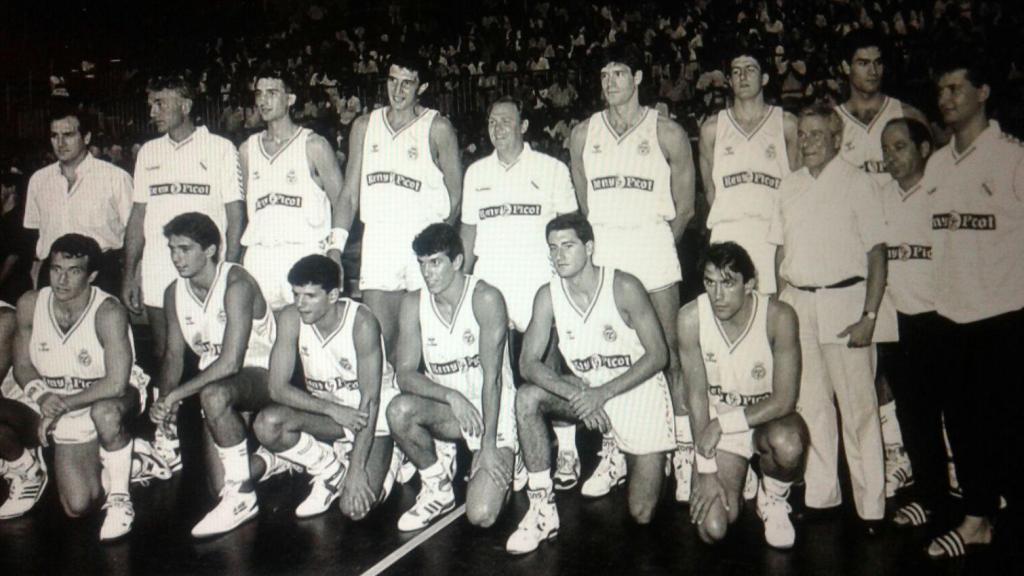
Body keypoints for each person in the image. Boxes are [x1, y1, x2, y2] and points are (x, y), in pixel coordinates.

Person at [569, 43, 695, 499]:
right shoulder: (583, 134)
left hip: (652, 249)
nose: (610, 82)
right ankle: (615, 450)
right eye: (604, 75)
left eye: (619, 73)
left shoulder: (668, 132)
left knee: (672, 358)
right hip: (607, 253)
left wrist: (657, 245)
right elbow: (584, 203)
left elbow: (686, 208)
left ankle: (683, 451)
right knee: (611, 359)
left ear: (638, 77)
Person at [507, 213, 675, 555]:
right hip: (586, 391)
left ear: (589, 247)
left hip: (635, 390)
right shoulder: (548, 295)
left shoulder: (623, 286)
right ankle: (541, 508)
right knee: (527, 399)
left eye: (567, 246)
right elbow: (527, 363)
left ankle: (628, 450)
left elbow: (659, 356)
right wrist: (576, 393)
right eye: (552, 248)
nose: (559, 255)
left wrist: (603, 394)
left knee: (642, 514)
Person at [768, 103, 890, 533]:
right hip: (799, 303)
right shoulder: (788, 186)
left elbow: (877, 253)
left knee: (858, 410)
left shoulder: (860, 183)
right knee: (812, 405)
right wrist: (780, 307)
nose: (808, 142)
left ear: (837, 139)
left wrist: (869, 315)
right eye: (802, 135)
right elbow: (779, 252)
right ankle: (822, 497)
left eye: (817, 134)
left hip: (846, 303)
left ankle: (872, 507)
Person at [924, 54, 1024, 559]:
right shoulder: (938, 163)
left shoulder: (1012, 157)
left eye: (956, 88)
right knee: (962, 427)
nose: (946, 99)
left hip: (1002, 317)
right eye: (941, 90)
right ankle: (977, 518)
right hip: (949, 318)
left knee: (1007, 426)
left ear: (983, 93)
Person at [0, 234, 163, 540]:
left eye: (73, 271)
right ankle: (30, 469)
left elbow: (115, 383)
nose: (61, 279)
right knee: (77, 505)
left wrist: (63, 404)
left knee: (106, 414)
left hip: (100, 398)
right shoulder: (30, 304)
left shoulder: (109, 311)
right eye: (56, 268)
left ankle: (119, 497)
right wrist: (44, 395)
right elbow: (22, 365)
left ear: (92, 275)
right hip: (53, 399)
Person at [123, 75, 245, 471]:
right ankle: (168, 429)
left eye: (160, 102)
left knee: (218, 354)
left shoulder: (221, 149)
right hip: (162, 269)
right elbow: (138, 216)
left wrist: (231, 268)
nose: (152, 111)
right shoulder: (148, 154)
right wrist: (130, 272)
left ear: (186, 104)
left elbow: (234, 215)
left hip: (208, 269)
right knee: (166, 353)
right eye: (150, 103)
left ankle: (225, 424)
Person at [460, 96, 580, 489]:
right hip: (494, 287)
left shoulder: (552, 170)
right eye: (492, 121)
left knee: (547, 368)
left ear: (523, 125)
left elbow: (568, 230)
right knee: (499, 374)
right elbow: (468, 235)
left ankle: (567, 448)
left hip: (536, 285)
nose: (498, 128)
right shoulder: (476, 173)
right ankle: (516, 446)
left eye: (506, 121)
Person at [147, 213, 281, 538]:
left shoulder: (237, 284)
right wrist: (165, 401)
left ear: (209, 250)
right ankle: (274, 459)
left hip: (264, 375)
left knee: (215, 394)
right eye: (172, 249)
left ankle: (243, 499)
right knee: (218, 484)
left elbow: (232, 361)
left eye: (184, 249)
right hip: (216, 382)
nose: (176, 258)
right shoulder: (173, 292)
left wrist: (179, 395)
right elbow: (174, 357)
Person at [836, 28, 927, 497]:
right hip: (856, 259)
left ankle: (918, 452)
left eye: (877, 62)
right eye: (862, 62)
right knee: (868, 366)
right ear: (845, 69)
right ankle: (891, 450)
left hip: (905, 254)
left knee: (908, 362)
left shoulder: (906, 115)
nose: (871, 70)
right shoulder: (833, 124)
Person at [387, 223, 517, 532]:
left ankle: (511, 454)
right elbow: (404, 374)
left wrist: (487, 446)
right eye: (422, 264)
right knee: (397, 410)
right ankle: (438, 487)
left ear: (457, 262)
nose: (427, 272)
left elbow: (493, 379)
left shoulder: (485, 298)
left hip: (492, 408)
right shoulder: (412, 304)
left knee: (481, 514)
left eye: (435, 262)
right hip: (452, 411)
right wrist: (451, 397)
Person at [678, 242, 808, 549]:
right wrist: (705, 470)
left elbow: (785, 399)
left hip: (767, 420)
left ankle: (773, 495)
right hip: (719, 430)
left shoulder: (779, 316)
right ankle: (741, 475)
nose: (717, 295)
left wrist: (723, 424)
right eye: (710, 282)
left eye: (728, 282)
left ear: (749, 284)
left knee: (788, 445)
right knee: (713, 529)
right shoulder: (690, 318)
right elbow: (696, 399)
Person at [253, 255, 400, 520]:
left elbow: (371, 401)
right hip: (331, 414)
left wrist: (357, 470)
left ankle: (392, 455)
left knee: (356, 508)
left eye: (310, 296)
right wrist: (332, 409)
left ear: (333, 295)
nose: (300, 303)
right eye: (296, 294)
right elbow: (276, 388)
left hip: (372, 418)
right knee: (267, 424)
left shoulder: (362, 322)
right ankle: (329, 468)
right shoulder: (290, 317)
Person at [337, 51, 463, 362]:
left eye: (408, 83)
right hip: (380, 244)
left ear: (422, 87)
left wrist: (437, 250)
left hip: (421, 248)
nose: (398, 91)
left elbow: (457, 196)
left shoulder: (438, 128)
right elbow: (349, 194)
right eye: (393, 81)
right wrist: (334, 246)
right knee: (379, 346)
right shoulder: (365, 126)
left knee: (425, 349)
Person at [876, 118, 949, 528]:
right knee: (913, 414)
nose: (891, 156)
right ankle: (928, 495)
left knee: (958, 412)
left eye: (900, 147)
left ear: (923, 150)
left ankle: (982, 497)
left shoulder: (942, 194)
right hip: (897, 322)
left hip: (941, 318)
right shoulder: (882, 196)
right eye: (886, 149)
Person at [239, 66, 345, 314]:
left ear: (290, 99)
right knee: (262, 345)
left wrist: (335, 250)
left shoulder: (314, 145)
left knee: (307, 343)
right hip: (260, 257)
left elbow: (343, 202)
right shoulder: (247, 150)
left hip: (303, 252)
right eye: (259, 93)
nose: (263, 100)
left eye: (272, 93)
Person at [25, 106, 132, 295]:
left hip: (101, 273)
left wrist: (132, 276)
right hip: (52, 273)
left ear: (87, 137)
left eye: (68, 135)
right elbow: (34, 232)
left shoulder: (115, 178)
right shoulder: (39, 180)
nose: (60, 143)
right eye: (54, 135)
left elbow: (134, 231)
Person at [0, 172, 34, 304]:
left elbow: (13, 257)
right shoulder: (4, 217)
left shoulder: (20, 219)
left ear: (12, 189)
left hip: (14, 286)